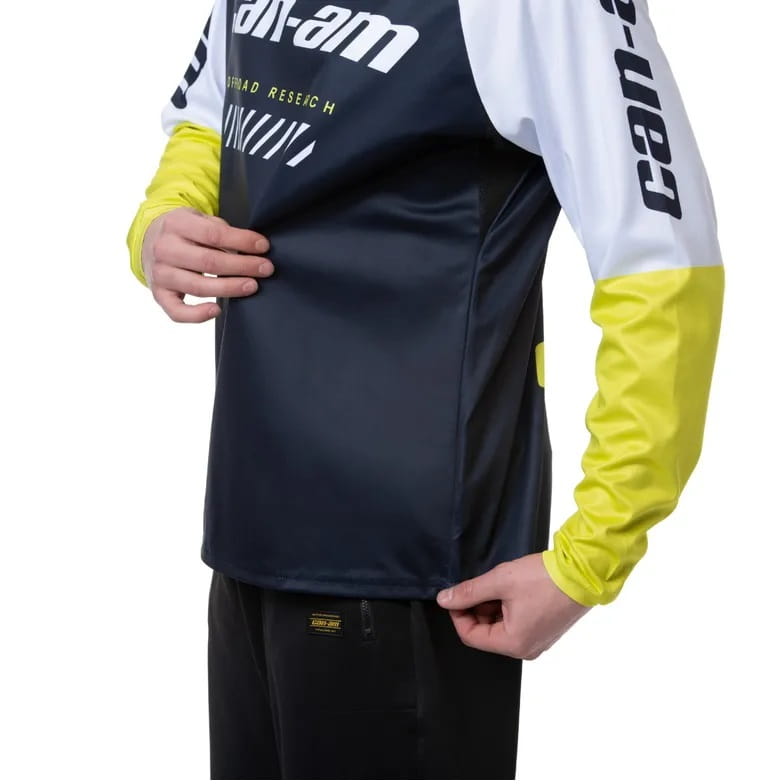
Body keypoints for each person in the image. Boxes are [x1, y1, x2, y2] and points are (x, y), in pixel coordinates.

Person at [126, 0, 725, 778]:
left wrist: (595, 553)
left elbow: (663, 264)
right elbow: (211, 115)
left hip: (415, 565)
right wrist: (162, 220)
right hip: (249, 528)